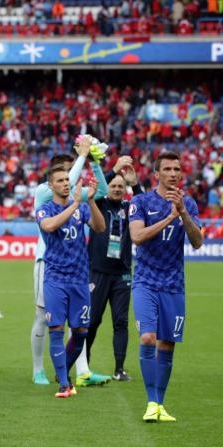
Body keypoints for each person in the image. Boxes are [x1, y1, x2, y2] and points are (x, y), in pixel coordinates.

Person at [129, 151, 203, 422]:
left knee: (168, 345)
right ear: (156, 174)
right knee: (148, 337)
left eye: (177, 169)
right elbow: (137, 237)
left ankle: (160, 405)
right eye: (168, 169)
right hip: (146, 282)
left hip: (173, 284)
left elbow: (197, 241)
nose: (173, 173)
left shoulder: (189, 204)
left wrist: (183, 213)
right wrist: (170, 218)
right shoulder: (141, 201)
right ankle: (150, 402)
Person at [31, 136, 109, 386]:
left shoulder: (76, 199)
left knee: (79, 328)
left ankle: (77, 370)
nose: (68, 180)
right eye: (63, 176)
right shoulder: (43, 194)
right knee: (46, 319)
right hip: (49, 264)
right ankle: (39, 370)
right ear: (51, 182)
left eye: (69, 175)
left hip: (77, 274)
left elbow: (101, 201)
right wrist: (84, 156)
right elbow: (52, 222)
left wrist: (94, 163)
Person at [86, 156, 142, 382]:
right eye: (114, 186)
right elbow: (96, 188)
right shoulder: (99, 203)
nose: (117, 189)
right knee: (92, 320)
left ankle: (119, 369)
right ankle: (84, 365)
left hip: (122, 274)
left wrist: (134, 183)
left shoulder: (131, 207)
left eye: (121, 186)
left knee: (121, 322)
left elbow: (145, 202)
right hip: (97, 271)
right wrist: (114, 171)